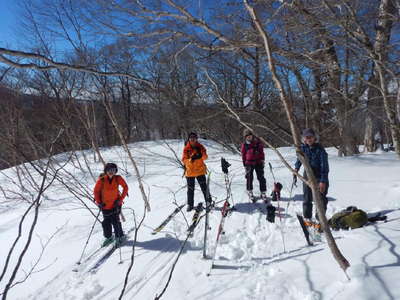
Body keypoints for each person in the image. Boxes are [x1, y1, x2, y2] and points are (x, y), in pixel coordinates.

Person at [294, 128, 329, 221]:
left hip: (319, 176)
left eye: (311, 137)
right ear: (304, 139)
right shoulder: (303, 148)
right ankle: (307, 217)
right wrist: (296, 168)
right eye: (307, 137)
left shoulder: (320, 149)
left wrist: (323, 181)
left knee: (321, 199)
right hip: (308, 176)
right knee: (307, 197)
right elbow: (299, 159)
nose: (309, 139)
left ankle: (320, 219)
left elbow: (324, 166)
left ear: (314, 138)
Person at [94, 163, 128, 247]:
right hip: (105, 206)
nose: (111, 172)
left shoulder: (118, 178)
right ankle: (109, 237)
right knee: (106, 223)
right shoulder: (101, 180)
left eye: (113, 170)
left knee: (115, 221)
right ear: (106, 171)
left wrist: (120, 199)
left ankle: (120, 236)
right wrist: (99, 202)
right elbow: (96, 191)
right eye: (109, 170)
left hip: (116, 204)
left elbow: (125, 187)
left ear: (115, 171)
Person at [182, 132, 212, 212]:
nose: (192, 140)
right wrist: (191, 159)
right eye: (191, 138)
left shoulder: (200, 146)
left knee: (204, 188)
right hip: (190, 172)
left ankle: (209, 202)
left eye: (194, 138)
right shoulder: (186, 148)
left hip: (200, 171)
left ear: (196, 139)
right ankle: (190, 205)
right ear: (189, 139)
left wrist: (201, 155)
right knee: (190, 189)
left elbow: (206, 157)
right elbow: (184, 160)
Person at [241, 129, 267, 202]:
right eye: (247, 136)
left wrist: (262, 160)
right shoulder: (244, 144)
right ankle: (250, 191)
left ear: (252, 136)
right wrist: (244, 164)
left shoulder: (257, 142)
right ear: (245, 137)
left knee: (261, 177)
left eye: (250, 136)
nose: (249, 138)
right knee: (249, 178)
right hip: (249, 163)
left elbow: (262, 152)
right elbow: (243, 154)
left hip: (258, 162)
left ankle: (263, 192)